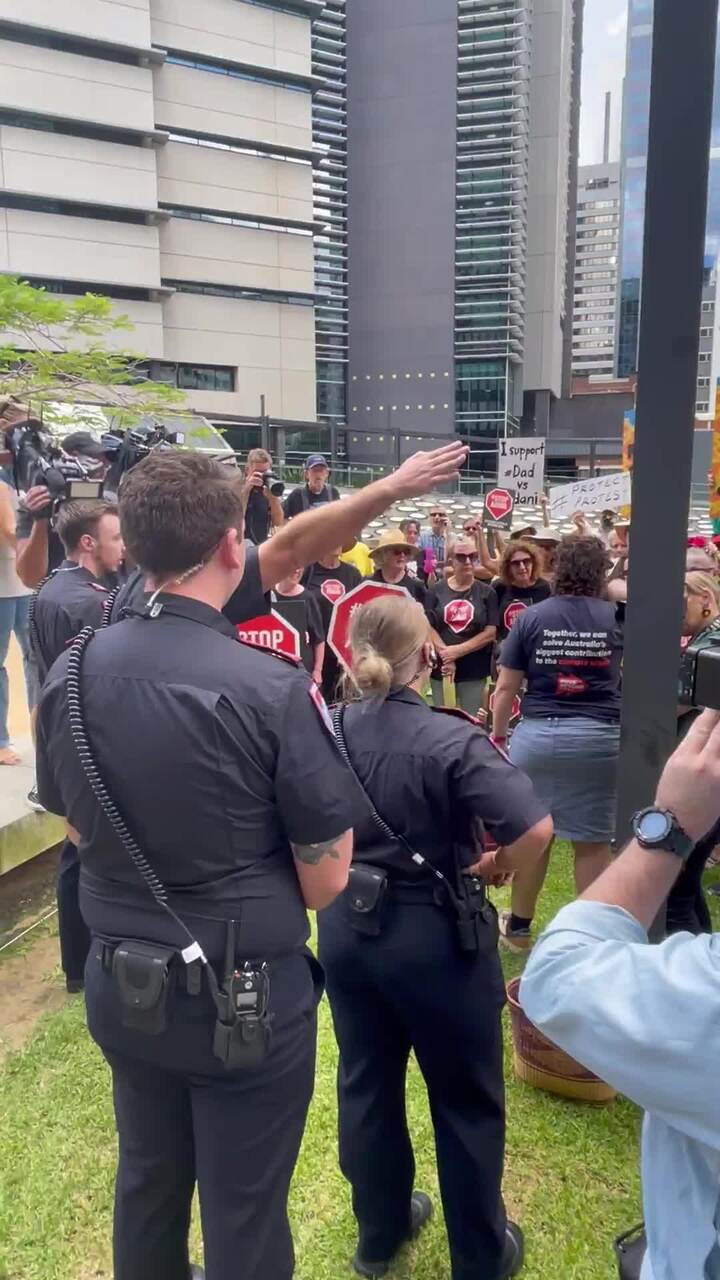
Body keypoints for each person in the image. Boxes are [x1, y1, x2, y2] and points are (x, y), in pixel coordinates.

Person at [35, 450, 363, 1280]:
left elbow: (72, 826)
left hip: (123, 983)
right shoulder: (271, 687)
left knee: (146, 1183)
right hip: (241, 999)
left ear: (135, 546)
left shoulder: (69, 674)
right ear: (231, 546)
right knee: (243, 1208)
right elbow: (326, 880)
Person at [317, 595, 553, 1280]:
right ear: (427, 655)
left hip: (346, 927)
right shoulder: (451, 737)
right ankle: (480, 1255)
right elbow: (534, 830)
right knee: (465, 1096)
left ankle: (379, 1233)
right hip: (436, 937)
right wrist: (502, 863)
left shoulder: (323, 728)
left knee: (365, 1079)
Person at [520, 707, 720, 1280]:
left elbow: (558, 976)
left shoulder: (702, 991)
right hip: (592, 740)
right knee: (586, 843)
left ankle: (518, 922)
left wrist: (673, 823)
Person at [108, 442, 469, 634]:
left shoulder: (74, 671)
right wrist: (390, 487)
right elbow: (291, 547)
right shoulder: (261, 693)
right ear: (230, 547)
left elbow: (289, 542)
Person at [492, 535, 624, 951]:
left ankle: (518, 931)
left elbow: (506, 688)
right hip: (600, 737)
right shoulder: (618, 617)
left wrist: (497, 734)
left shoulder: (531, 618)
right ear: (601, 571)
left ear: (559, 567)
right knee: (591, 841)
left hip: (537, 736)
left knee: (536, 835)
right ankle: (591, 939)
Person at [32, 498, 125, 993]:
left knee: (74, 850)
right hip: (86, 733)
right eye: (116, 538)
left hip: (63, 732)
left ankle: (76, 964)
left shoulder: (51, 586)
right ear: (88, 543)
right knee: (84, 849)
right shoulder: (90, 602)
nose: (124, 548)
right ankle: (86, 962)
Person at [664, 570, 720, 935]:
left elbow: (675, 704)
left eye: (681, 595)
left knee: (676, 891)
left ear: (706, 599)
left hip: (705, 780)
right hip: (706, 777)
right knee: (687, 884)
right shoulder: (704, 640)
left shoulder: (708, 647)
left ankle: (691, 977)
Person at [15, 429, 109, 588]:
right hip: (54, 601)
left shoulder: (107, 505)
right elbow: (30, 578)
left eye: (103, 462)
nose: (101, 467)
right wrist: (41, 520)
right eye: (94, 459)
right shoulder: (37, 503)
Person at [426, 537, 499, 715]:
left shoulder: (487, 592)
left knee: (472, 722)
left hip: (473, 671)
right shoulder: (435, 590)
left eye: (472, 556)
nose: (467, 561)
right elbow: (426, 625)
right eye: (461, 556)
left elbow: (491, 632)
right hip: (441, 671)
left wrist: (458, 651)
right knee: (443, 723)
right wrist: (447, 655)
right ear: (450, 560)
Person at [0, 473, 34, 765]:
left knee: (35, 660)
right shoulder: (1, 484)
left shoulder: (18, 477)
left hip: (23, 584)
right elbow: (10, 529)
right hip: (6, 585)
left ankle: (41, 732)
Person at [303, 548, 362, 702]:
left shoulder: (353, 574)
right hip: (314, 651)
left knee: (345, 702)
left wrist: (350, 649)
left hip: (343, 653)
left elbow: (359, 611)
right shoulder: (308, 571)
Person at [272, 566, 325, 684]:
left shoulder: (308, 598)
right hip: (275, 671)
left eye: (300, 567)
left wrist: (317, 670)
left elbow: (319, 639)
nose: (297, 570)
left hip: (302, 672)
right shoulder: (268, 594)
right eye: (293, 566)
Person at [492, 540, 551, 643]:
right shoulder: (499, 587)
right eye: (516, 563)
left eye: (526, 561)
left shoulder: (544, 588)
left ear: (533, 562)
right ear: (508, 567)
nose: (522, 567)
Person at [368, 528, 427, 605]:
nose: (402, 555)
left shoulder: (416, 586)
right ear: (383, 555)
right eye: (397, 551)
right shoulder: (368, 584)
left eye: (406, 552)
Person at [242, 447, 285, 546]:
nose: (261, 476)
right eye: (257, 472)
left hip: (259, 546)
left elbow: (278, 524)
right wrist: (247, 489)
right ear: (247, 470)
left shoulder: (268, 489)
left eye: (264, 472)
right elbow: (236, 518)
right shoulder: (237, 487)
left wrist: (273, 499)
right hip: (240, 545)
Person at [283, 453, 340, 519]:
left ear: (327, 473)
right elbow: (281, 517)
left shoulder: (333, 493)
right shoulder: (297, 495)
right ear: (306, 474)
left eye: (321, 470)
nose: (318, 475)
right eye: (315, 470)